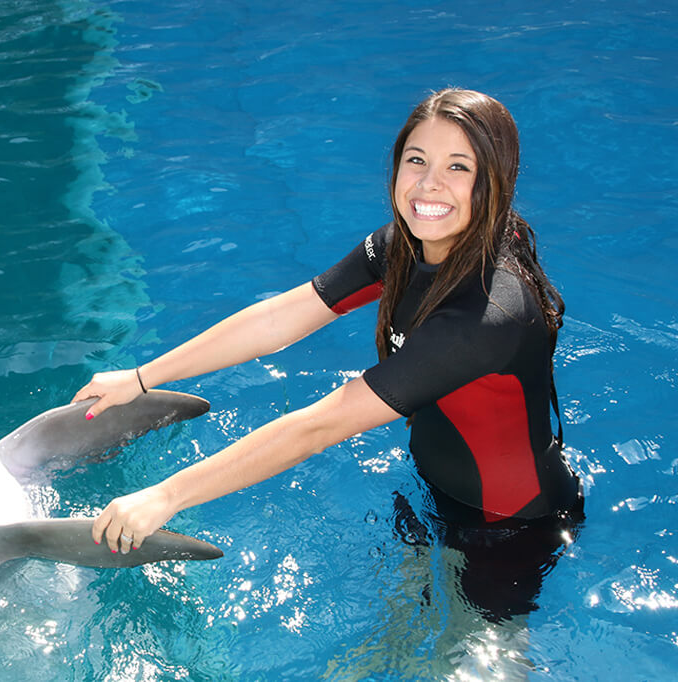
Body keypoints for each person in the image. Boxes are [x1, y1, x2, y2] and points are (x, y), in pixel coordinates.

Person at [72, 88, 583, 621]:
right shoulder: (403, 247)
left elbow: (318, 426)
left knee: (466, 661)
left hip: (509, 527)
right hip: (427, 486)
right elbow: (279, 319)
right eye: (417, 160)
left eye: (459, 167)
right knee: (400, 637)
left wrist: (166, 496)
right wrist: (141, 377)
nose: (429, 184)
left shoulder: (487, 316)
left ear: (494, 182)